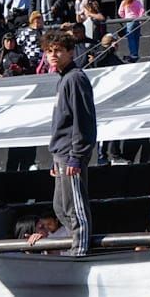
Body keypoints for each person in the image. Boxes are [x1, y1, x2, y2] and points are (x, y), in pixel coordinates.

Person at [44, 30, 97, 256]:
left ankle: (80, 252)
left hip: (70, 155)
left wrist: (76, 156)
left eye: (58, 50)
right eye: (49, 51)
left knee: (75, 209)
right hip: (61, 154)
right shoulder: (63, 79)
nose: (53, 55)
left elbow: (84, 121)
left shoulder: (75, 78)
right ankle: (73, 247)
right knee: (61, 207)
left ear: (70, 52)